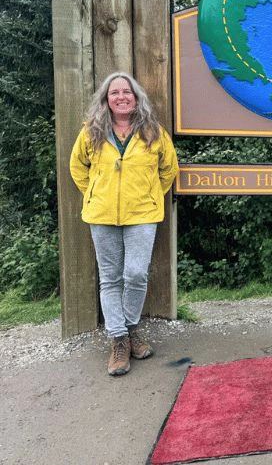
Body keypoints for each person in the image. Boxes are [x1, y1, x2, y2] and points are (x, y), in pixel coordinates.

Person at [70, 72, 178, 376]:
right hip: (101, 215)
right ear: (106, 99)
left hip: (142, 214)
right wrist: (94, 193)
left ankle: (128, 329)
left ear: (136, 97)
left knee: (135, 273)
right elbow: (78, 167)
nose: (121, 97)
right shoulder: (91, 131)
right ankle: (119, 340)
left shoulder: (153, 132)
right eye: (114, 92)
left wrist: (151, 193)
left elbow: (168, 169)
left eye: (126, 92)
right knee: (110, 278)